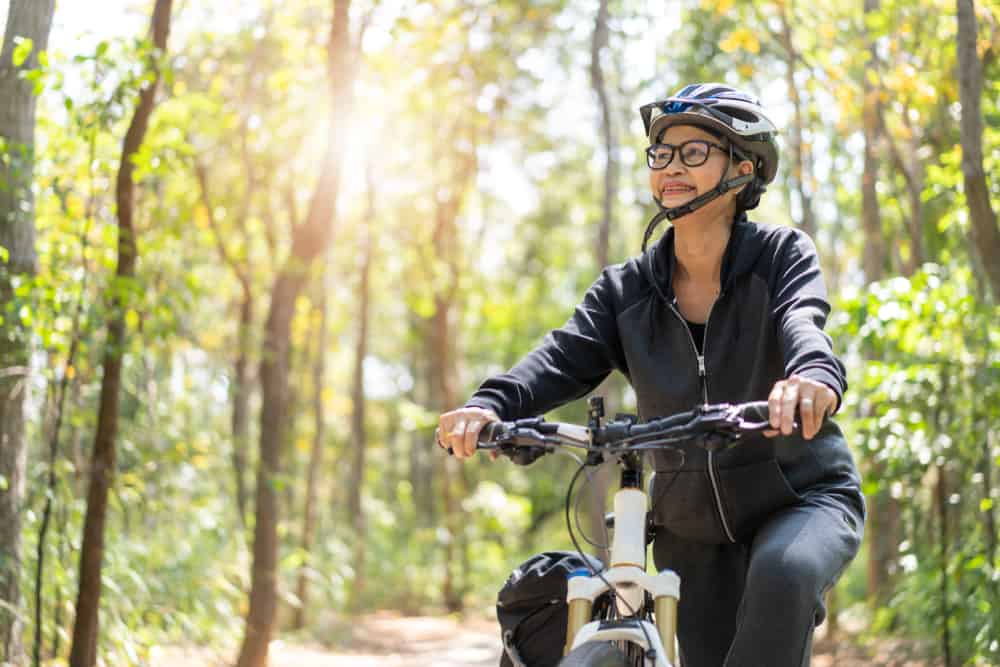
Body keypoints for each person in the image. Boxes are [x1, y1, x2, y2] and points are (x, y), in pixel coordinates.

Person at [437, 83, 865, 667]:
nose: (671, 167)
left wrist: (811, 375)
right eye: (661, 153)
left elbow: (803, 323)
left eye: (694, 153)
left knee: (783, 573)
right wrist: (490, 405)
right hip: (692, 525)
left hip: (799, 497)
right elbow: (562, 355)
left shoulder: (780, 256)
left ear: (744, 168)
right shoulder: (626, 290)